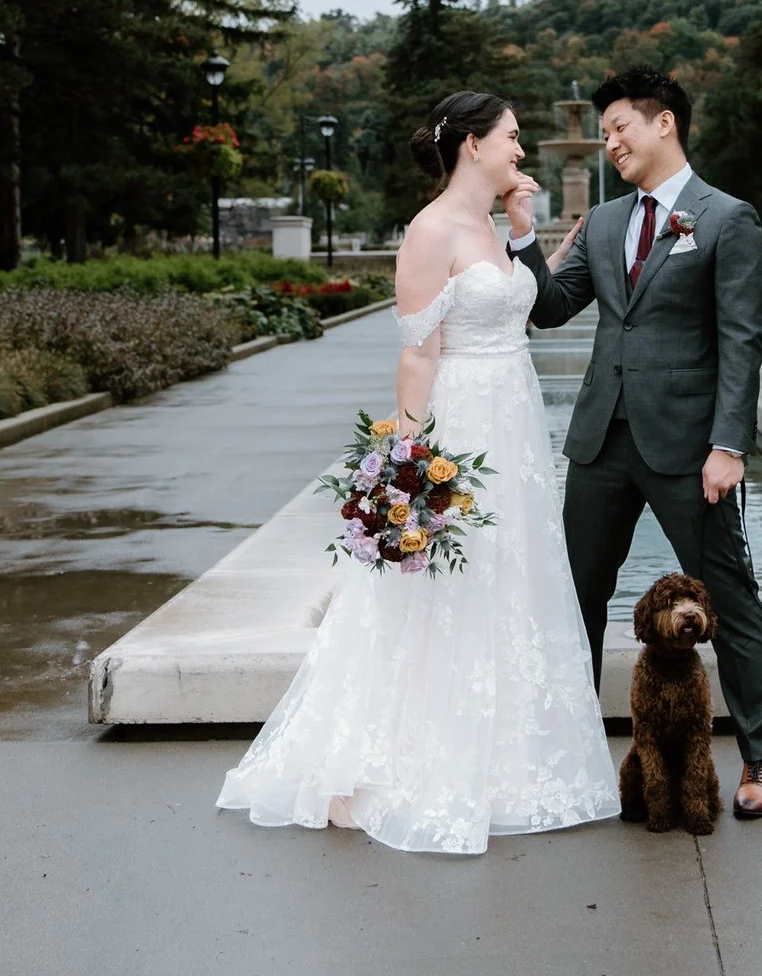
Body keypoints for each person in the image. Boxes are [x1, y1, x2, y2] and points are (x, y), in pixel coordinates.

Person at [216, 91, 619, 854]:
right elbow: (418, 352)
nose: (522, 150)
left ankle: (511, 761)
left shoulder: (493, 225)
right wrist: (408, 465)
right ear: (472, 144)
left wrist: (531, 234)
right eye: (511, 136)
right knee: (445, 589)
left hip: (517, 423)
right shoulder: (430, 230)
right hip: (465, 421)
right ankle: (398, 760)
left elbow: (525, 307)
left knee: (513, 578)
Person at [512, 68, 762, 818]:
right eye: (602, 133)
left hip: (690, 446)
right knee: (578, 601)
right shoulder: (601, 223)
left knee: (731, 598)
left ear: (664, 124)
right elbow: (553, 308)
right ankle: (567, 759)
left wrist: (729, 442)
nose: (610, 142)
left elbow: (742, 341)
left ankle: (761, 762)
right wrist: (527, 236)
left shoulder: (727, 219)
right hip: (601, 439)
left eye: (619, 127)